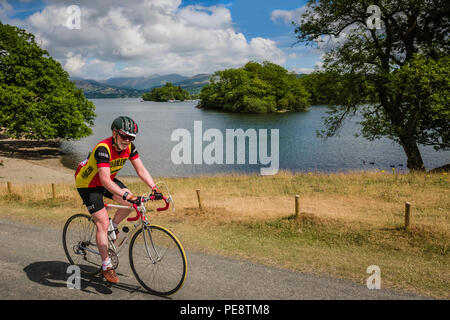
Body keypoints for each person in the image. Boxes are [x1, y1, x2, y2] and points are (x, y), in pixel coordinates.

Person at [74, 116, 158, 284]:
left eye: (131, 137)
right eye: (124, 136)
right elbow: (104, 181)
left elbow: (141, 170)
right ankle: (106, 266)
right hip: (88, 184)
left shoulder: (130, 148)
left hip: (107, 180)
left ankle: (113, 226)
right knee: (102, 222)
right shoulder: (103, 149)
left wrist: (154, 188)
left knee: (131, 204)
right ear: (114, 133)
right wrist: (126, 195)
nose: (127, 141)